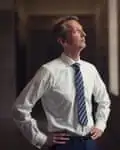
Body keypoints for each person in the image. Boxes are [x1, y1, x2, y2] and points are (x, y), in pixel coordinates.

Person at [12, 16, 111, 150]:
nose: (84, 34)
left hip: (90, 142)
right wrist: (40, 138)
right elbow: (20, 108)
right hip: (64, 144)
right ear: (63, 41)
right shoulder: (48, 71)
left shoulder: (90, 69)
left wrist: (100, 125)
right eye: (76, 31)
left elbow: (104, 100)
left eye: (82, 30)